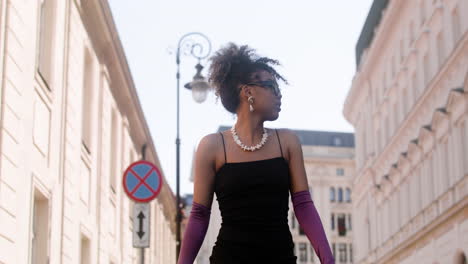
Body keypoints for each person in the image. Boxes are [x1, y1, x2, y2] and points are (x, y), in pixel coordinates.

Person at [177, 43, 334, 264]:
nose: (279, 95)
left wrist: (328, 258)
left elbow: (303, 205)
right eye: (271, 86)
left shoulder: (287, 141)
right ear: (248, 91)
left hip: (279, 258)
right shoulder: (211, 146)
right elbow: (200, 215)